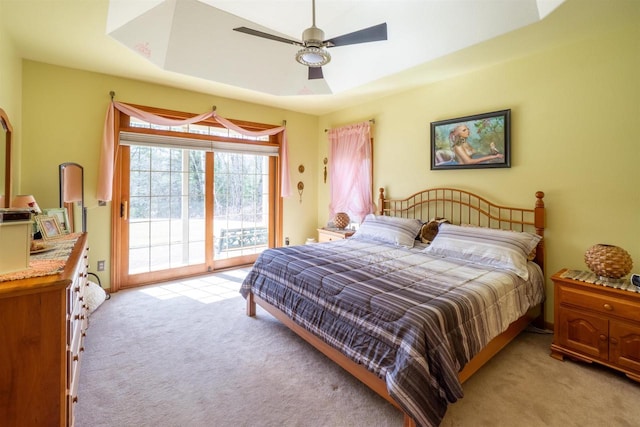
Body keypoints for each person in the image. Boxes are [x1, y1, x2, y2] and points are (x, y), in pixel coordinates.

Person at [436, 124, 503, 165]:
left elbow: (476, 156)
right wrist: (493, 157)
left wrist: (492, 151)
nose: (468, 131)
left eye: (467, 129)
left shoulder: (466, 143)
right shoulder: (457, 146)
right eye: (464, 130)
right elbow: (469, 162)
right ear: (456, 134)